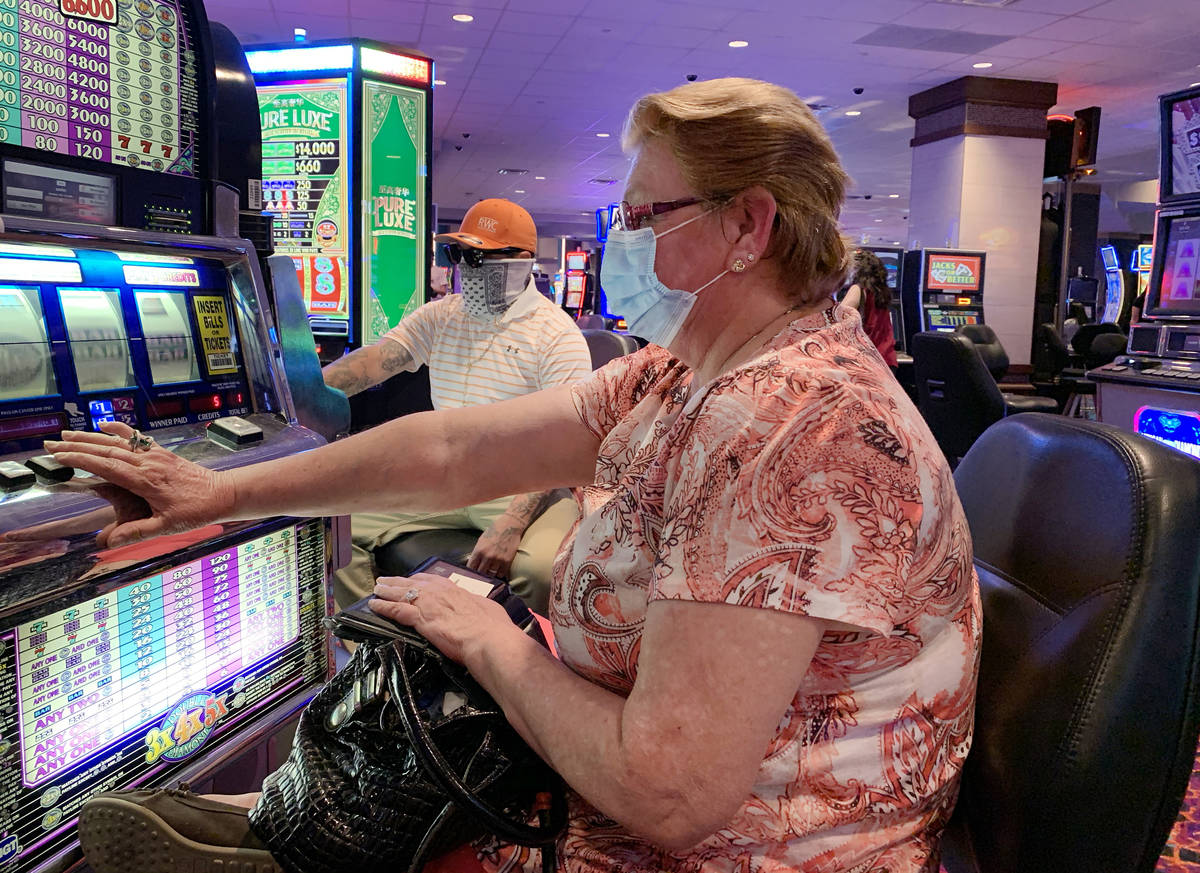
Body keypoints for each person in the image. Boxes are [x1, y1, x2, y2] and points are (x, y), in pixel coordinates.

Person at [43, 77, 980, 873]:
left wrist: (494, 641)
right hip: (617, 791)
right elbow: (458, 448)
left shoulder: (790, 423)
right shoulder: (685, 371)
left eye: (646, 215)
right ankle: (271, 820)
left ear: (749, 224)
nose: (624, 239)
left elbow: (671, 791)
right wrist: (222, 490)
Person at [322, 198, 591, 614]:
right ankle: (379, 650)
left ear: (521, 261)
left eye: (480, 256)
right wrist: (302, 390)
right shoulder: (441, 316)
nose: (467, 267)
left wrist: (512, 523)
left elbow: (563, 444)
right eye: (460, 254)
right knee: (336, 527)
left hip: (522, 483)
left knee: (542, 572)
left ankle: (525, 668)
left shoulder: (557, 335)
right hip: (446, 475)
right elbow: (375, 361)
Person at [840, 249, 898, 368]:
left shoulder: (858, 289)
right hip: (887, 358)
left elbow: (837, 317)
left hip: (868, 359)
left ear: (857, 270)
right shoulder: (882, 291)